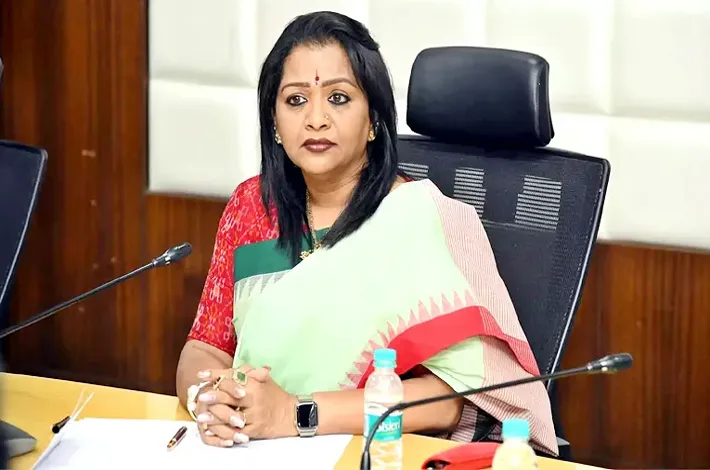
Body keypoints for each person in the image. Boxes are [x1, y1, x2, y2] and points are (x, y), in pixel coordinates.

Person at [176, 10, 558, 456]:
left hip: (377, 450)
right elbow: (205, 348)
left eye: (338, 98)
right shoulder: (251, 207)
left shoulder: (424, 219)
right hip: (250, 448)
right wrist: (210, 398)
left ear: (374, 119)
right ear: (274, 123)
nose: (316, 119)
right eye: (296, 100)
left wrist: (296, 414)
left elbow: (452, 399)